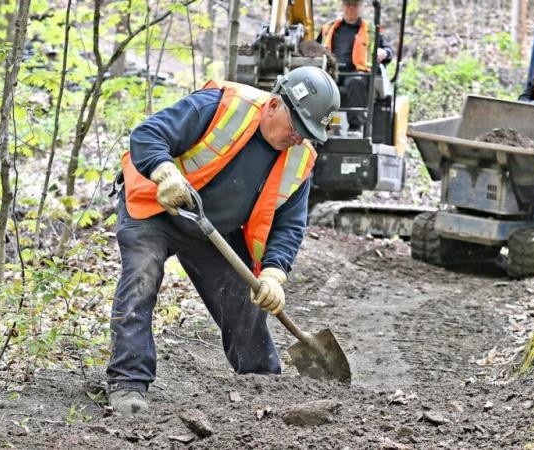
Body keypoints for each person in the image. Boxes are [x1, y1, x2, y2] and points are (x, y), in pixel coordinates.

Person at [107, 66, 340, 415]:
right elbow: (148, 134)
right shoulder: (222, 106)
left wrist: (274, 273)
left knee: (244, 296)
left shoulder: (300, 158)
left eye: (308, 133)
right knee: (142, 274)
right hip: (155, 208)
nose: (299, 138)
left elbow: (289, 224)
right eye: (297, 127)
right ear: (275, 104)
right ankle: (128, 384)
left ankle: (263, 382)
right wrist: (165, 172)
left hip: (210, 228)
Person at [317, 0, 394, 133]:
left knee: (355, 82)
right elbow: (315, 47)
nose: (351, 9)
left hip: (357, 73)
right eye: (348, 5)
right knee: (321, 82)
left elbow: (388, 50)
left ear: (361, 7)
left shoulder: (370, 30)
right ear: (342, 6)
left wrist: (384, 52)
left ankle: (355, 127)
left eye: (355, 5)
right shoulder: (329, 28)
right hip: (332, 72)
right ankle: (321, 125)